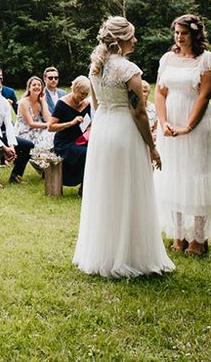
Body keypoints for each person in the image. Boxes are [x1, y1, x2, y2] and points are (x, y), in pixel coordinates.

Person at [74, 16, 173, 278]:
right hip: (124, 133)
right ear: (122, 40)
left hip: (103, 132)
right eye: (133, 35)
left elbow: (96, 107)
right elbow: (139, 112)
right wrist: (152, 147)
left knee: (106, 192)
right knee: (129, 191)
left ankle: (103, 255)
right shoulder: (129, 70)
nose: (136, 40)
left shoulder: (96, 68)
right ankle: (132, 257)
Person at [154, 14, 211, 257]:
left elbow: (204, 96)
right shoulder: (167, 59)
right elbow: (160, 93)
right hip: (170, 123)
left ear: (195, 34)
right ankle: (178, 235)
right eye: (176, 33)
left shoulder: (207, 60)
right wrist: (163, 123)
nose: (179, 37)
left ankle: (198, 239)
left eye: (184, 33)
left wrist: (188, 127)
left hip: (196, 124)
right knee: (173, 175)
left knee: (195, 176)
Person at [48, 76, 91, 189]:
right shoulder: (62, 104)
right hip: (65, 143)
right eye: (81, 93)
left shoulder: (86, 104)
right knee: (85, 153)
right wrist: (70, 123)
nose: (83, 97)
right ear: (75, 89)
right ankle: (83, 186)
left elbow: (88, 123)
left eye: (86, 94)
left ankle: (88, 186)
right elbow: (50, 127)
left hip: (81, 139)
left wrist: (89, 128)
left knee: (95, 150)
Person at [16, 76, 53, 148]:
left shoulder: (41, 101)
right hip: (25, 131)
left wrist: (43, 102)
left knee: (54, 133)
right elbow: (31, 124)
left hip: (38, 129)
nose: (37, 87)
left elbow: (48, 119)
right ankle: (39, 154)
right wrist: (49, 125)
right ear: (29, 88)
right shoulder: (23, 102)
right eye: (34, 85)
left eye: (39, 85)